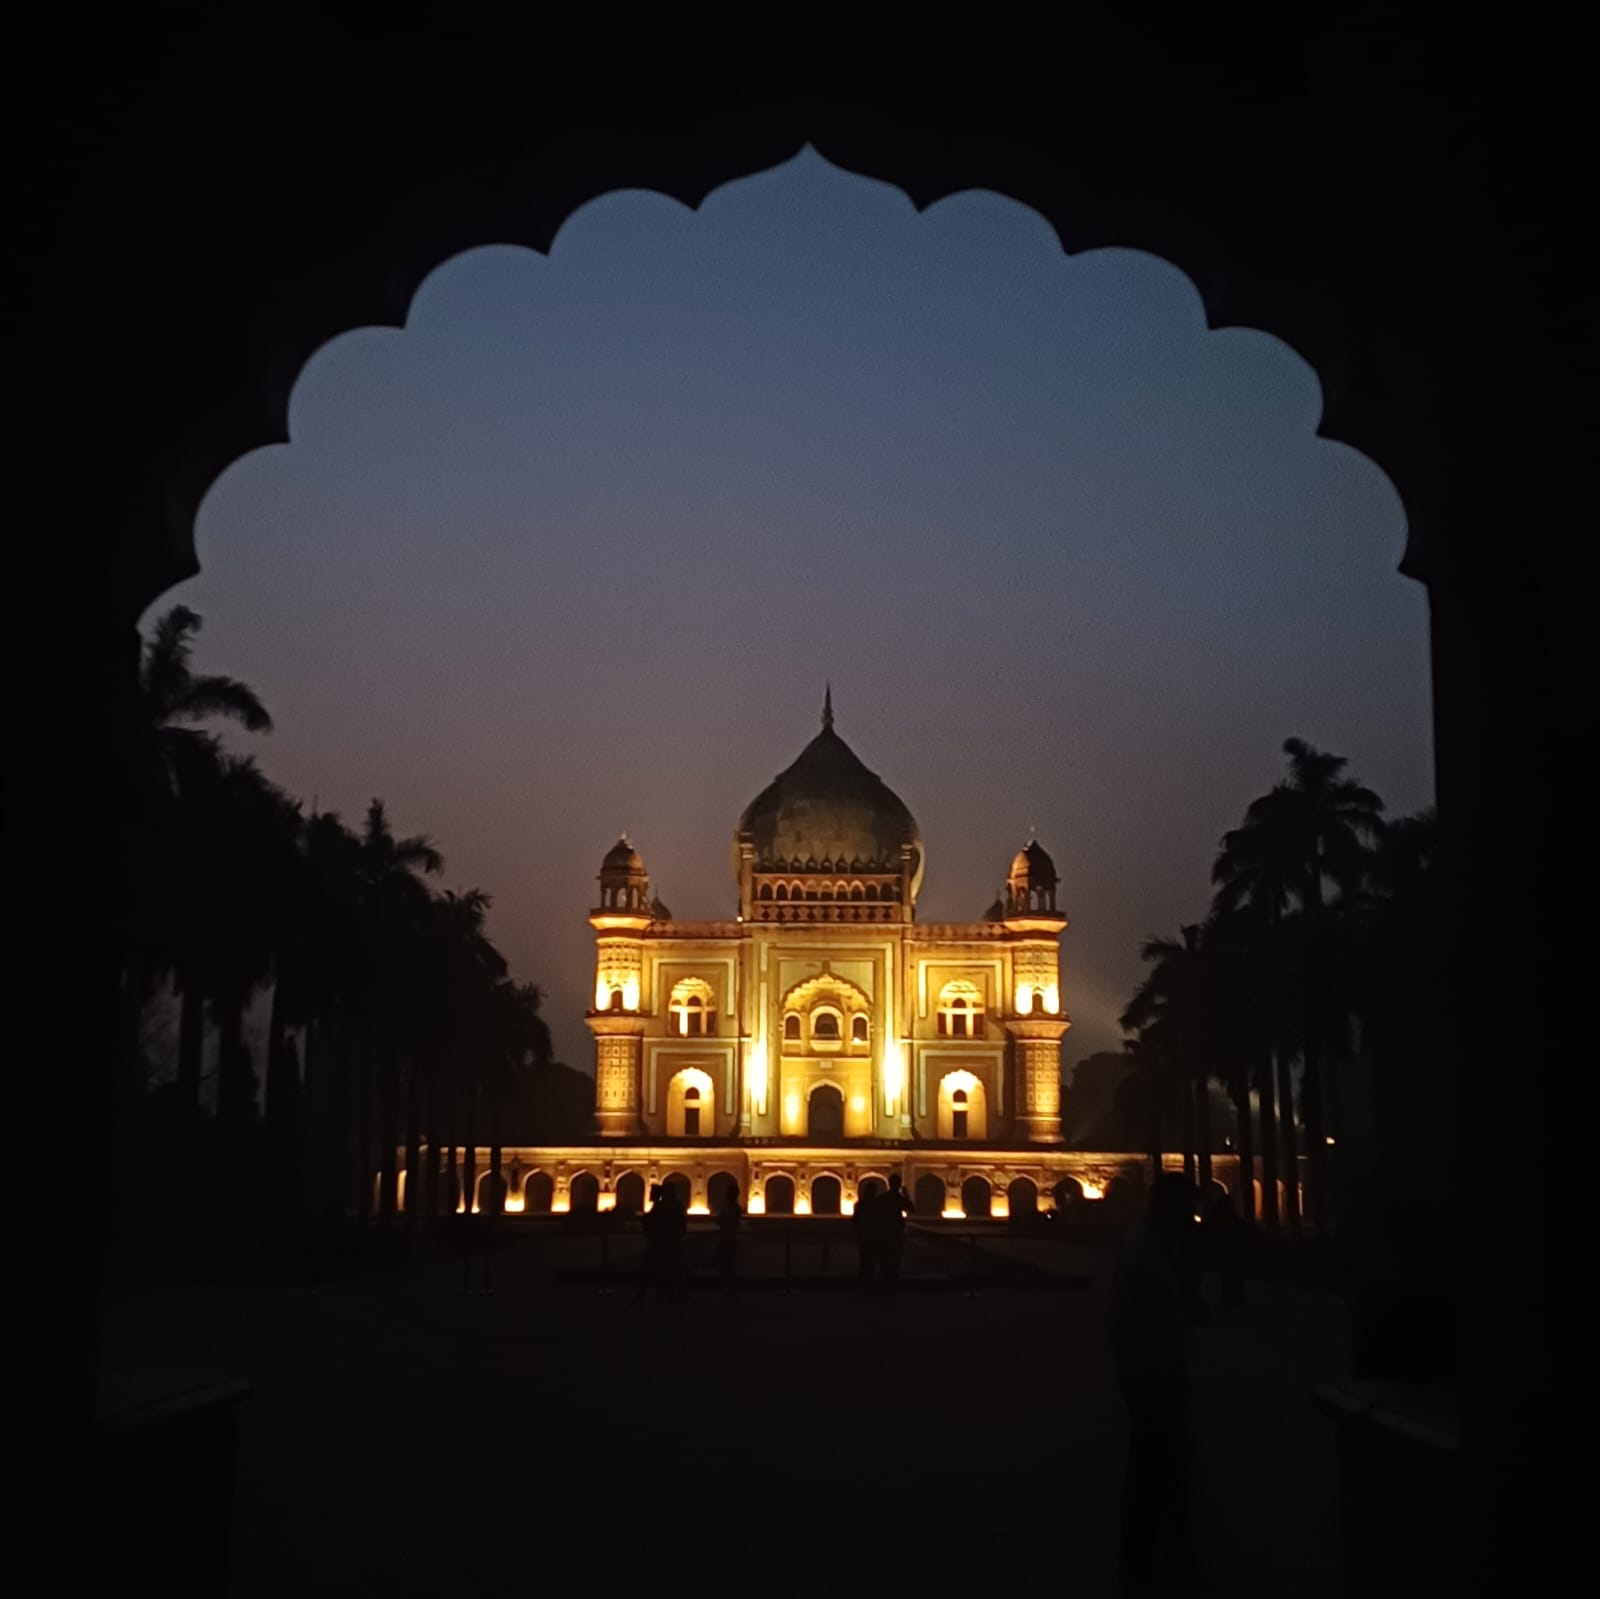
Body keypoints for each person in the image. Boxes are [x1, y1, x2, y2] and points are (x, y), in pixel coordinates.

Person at [1107, 1173, 1207, 1596]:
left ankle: (1152, 1556)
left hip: (1149, 1367)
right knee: (1158, 1466)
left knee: (1154, 1465)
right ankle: (1155, 1560)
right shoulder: (1148, 1252)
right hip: (1154, 1370)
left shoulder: (1145, 1246)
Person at [1201, 1184, 1246, 1309]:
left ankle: (1231, 1301)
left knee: (1229, 1278)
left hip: (1226, 1252)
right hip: (1231, 1253)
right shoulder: (1232, 1220)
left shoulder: (1217, 1218)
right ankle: (1235, 1301)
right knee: (1233, 1277)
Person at [877, 1172, 912, 1292]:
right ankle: (893, 1284)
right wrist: (906, 1194)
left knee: (884, 1259)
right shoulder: (898, 1198)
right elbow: (912, 1209)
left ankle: (883, 1284)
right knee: (895, 1259)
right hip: (896, 1232)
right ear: (898, 1185)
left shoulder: (883, 1198)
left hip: (884, 1232)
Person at [637, 1184, 665, 1306]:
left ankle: (642, 1296)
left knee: (650, 1270)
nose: (650, 1194)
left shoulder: (659, 1208)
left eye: (652, 1192)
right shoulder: (657, 1207)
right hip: (656, 1243)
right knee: (657, 1270)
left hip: (656, 1244)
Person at [714, 1182, 742, 1296]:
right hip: (727, 1238)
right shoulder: (731, 1208)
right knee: (725, 1265)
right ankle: (728, 1289)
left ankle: (729, 1289)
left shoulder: (733, 1208)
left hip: (729, 1239)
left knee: (728, 1265)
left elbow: (721, 1220)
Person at [853, 1183, 881, 1291]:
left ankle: (864, 1284)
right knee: (871, 1260)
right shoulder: (878, 1205)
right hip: (873, 1236)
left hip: (864, 1235)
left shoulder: (860, 1204)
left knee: (864, 1260)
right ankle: (870, 1284)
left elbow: (855, 1220)